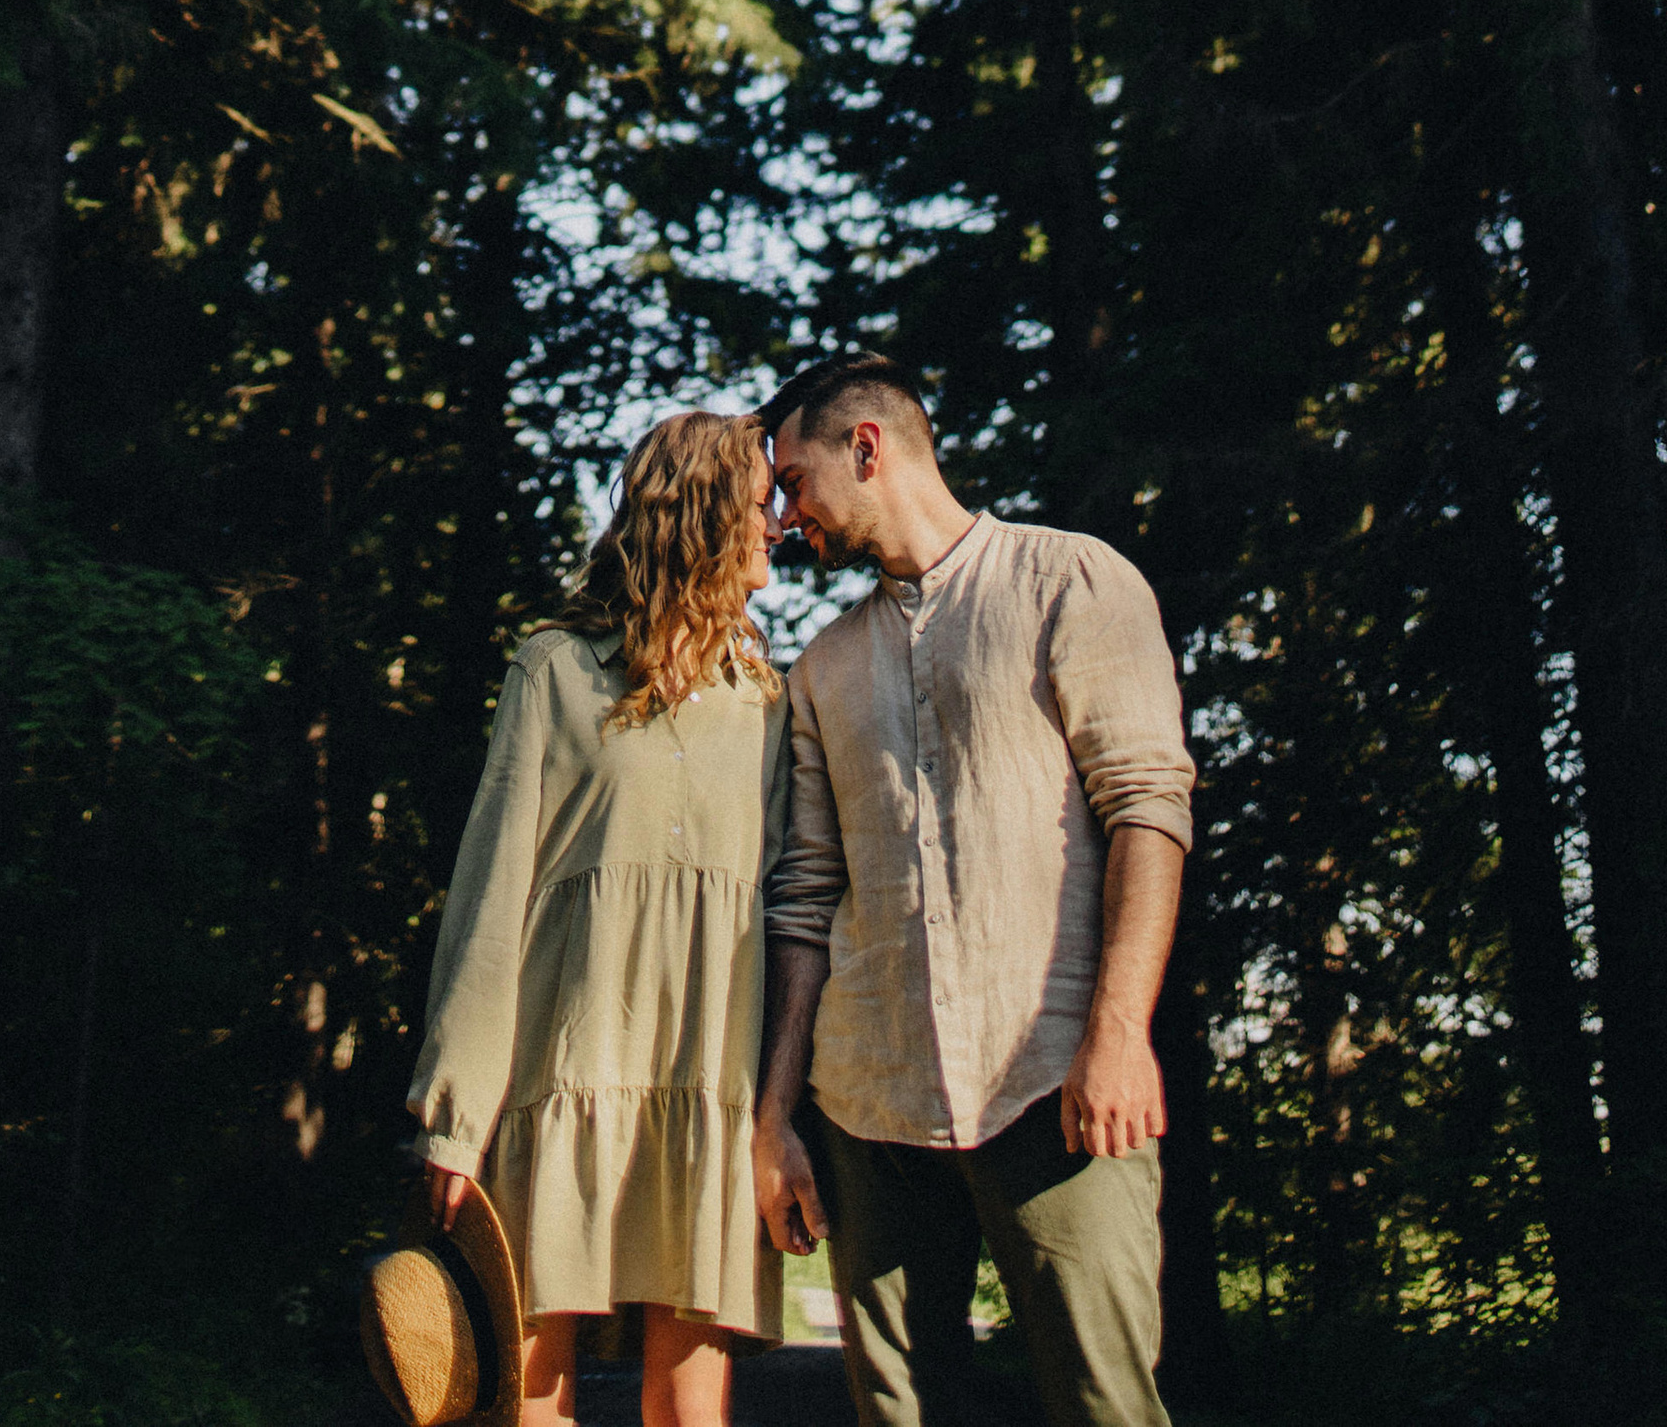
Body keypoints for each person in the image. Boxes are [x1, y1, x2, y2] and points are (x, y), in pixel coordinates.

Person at [751, 357, 1197, 1427]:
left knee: (1104, 1405)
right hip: (868, 1106)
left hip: (1056, 1084)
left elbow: (1147, 807)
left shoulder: (1072, 580)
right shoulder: (821, 669)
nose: (784, 516)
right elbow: (804, 900)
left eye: (795, 481)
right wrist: (775, 1117)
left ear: (867, 447)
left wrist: (1118, 1033)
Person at [409, 409, 791, 1427]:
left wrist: (784, 1119)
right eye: (762, 504)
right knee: (531, 1403)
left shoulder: (767, 703)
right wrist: (456, 1117)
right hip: (558, 1079)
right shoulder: (554, 669)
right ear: (702, 511)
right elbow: (491, 894)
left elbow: (792, 909)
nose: (781, 525)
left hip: (708, 1086)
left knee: (690, 1414)